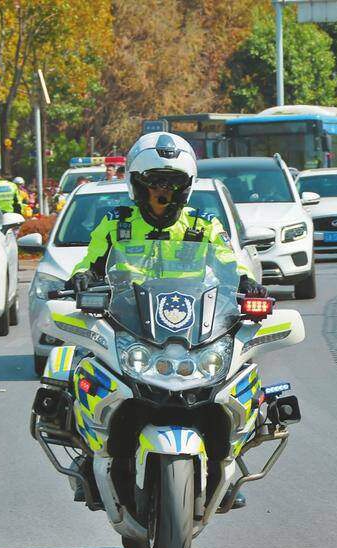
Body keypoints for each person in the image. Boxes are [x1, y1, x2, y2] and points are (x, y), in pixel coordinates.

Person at [67, 133, 262, 509]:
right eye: (155, 183)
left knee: (238, 373)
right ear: (137, 185)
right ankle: (88, 453)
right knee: (84, 366)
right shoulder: (116, 224)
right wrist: (82, 277)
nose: (163, 192)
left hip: (194, 324)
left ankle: (229, 462)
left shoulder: (203, 225)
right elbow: (90, 261)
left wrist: (247, 281)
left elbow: (230, 261)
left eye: (172, 184)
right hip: (128, 322)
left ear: (186, 188)